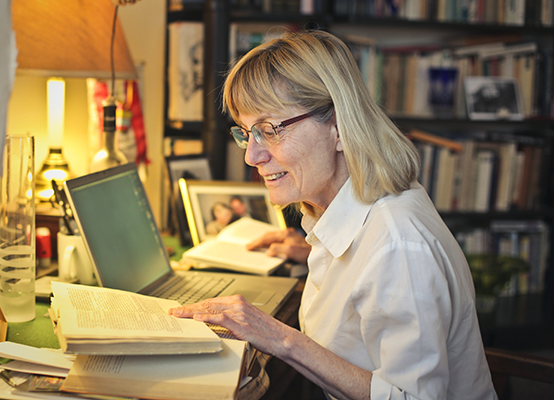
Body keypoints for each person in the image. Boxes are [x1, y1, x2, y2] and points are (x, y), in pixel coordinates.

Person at [170, 30, 497, 400]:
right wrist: (308, 250)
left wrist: (279, 338)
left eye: (269, 130)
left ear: (339, 127)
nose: (251, 156)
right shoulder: (348, 212)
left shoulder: (398, 245)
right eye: (247, 133)